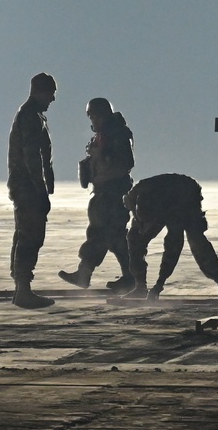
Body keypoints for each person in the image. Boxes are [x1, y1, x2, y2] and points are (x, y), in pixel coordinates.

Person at [59, 98, 137, 291]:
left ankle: (84, 274)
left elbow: (126, 162)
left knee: (102, 233)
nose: (93, 120)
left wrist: (106, 156)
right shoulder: (104, 135)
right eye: (91, 116)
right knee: (114, 236)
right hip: (104, 190)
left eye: (95, 115)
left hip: (113, 192)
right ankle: (131, 277)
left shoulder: (117, 134)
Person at [122, 173, 218, 300]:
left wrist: (158, 286)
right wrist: (138, 222)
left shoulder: (173, 208)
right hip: (161, 199)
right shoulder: (137, 194)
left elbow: (173, 248)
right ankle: (140, 287)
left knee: (197, 242)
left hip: (185, 195)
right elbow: (135, 214)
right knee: (135, 239)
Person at [8, 72, 57, 309]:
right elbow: (32, 157)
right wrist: (41, 189)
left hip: (28, 186)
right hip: (27, 187)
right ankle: (23, 291)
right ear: (39, 92)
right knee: (30, 236)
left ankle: (21, 288)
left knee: (26, 235)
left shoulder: (35, 116)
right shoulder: (29, 117)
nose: (53, 99)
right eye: (50, 93)